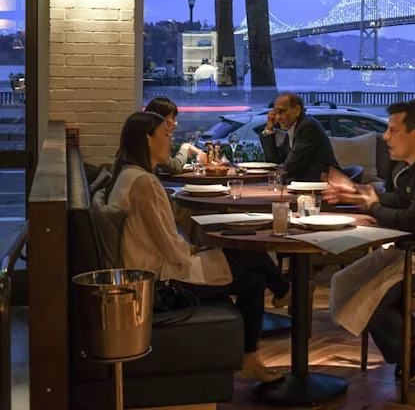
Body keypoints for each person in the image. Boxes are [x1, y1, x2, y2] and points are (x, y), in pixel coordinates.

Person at [105, 112, 290, 382]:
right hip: (163, 285)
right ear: (147, 140)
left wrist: (195, 250)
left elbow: (162, 240)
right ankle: (283, 293)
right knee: (251, 255)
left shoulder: (128, 176)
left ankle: (251, 356)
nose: (171, 141)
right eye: (165, 135)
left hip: (151, 276)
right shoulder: (143, 183)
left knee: (254, 272)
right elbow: (170, 246)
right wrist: (194, 251)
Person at [324, 100, 415, 382]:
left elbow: (413, 220)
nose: (386, 137)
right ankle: (414, 340)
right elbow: (400, 201)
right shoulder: (413, 167)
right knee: (345, 283)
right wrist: (358, 192)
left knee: (372, 299)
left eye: (393, 130)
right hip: (412, 252)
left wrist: (371, 208)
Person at [260, 93, 339, 181]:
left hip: (324, 184)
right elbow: (274, 159)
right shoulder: (294, 128)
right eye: (275, 113)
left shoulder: (308, 126)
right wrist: (269, 128)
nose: (277, 117)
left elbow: (291, 164)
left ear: (297, 110)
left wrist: (274, 173)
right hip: (306, 183)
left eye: (281, 112)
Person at [144, 97, 207, 174]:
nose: (176, 123)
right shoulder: (149, 143)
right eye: (172, 118)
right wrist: (185, 147)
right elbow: (175, 167)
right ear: (160, 119)